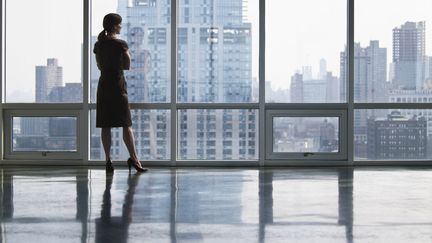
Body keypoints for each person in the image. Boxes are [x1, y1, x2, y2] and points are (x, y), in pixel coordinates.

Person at [93, 13, 147, 173]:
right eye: (120, 24)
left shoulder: (98, 45)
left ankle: (108, 160)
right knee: (126, 124)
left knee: (105, 125)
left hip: (104, 86)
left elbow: (99, 65)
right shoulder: (121, 44)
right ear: (115, 26)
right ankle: (134, 159)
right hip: (117, 86)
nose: (121, 26)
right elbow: (128, 65)